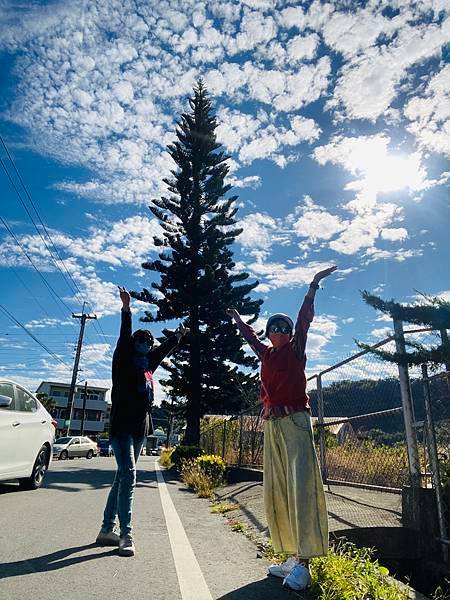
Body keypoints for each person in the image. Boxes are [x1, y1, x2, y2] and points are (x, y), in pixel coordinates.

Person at [226, 266, 336, 591]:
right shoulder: (266, 354)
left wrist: (313, 286)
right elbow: (249, 337)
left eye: (283, 326)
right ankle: (289, 554)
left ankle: (305, 563)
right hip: (272, 424)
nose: (278, 329)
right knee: (278, 489)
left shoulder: (295, 349)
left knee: (302, 488)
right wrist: (235, 317)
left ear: (289, 333)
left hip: (296, 421)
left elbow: (304, 320)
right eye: (273, 326)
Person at [96, 286, 188, 557]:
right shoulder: (123, 358)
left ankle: (105, 530)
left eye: (148, 342)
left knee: (120, 478)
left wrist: (179, 336)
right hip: (121, 426)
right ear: (133, 342)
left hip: (139, 429)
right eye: (141, 340)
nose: (145, 344)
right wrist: (126, 309)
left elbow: (163, 351)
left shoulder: (147, 364)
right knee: (129, 475)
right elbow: (125, 334)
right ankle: (126, 535)